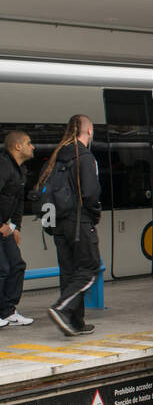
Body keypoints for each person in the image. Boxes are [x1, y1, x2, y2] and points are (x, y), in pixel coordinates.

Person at [36, 115, 102, 336]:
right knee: (89, 268)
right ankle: (62, 309)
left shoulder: (55, 158)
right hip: (79, 222)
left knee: (70, 272)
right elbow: (91, 193)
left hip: (59, 224)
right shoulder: (84, 157)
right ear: (89, 131)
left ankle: (75, 322)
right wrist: (94, 215)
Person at [0, 130, 36, 326]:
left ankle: (8, 312)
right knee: (2, 268)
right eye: (29, 143)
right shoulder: (3, 166)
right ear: (18, 146)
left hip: (6, 228)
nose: (33, 147)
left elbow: (18, 201)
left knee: (17, 265)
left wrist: (15, 227)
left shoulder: (20, 171)